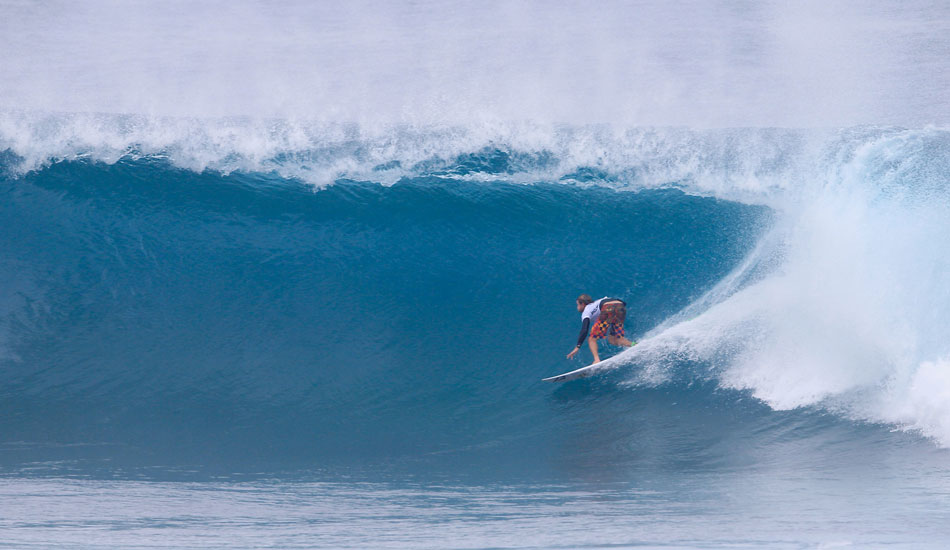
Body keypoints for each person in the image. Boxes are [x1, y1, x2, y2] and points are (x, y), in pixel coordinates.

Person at [566, 294, 633, 365]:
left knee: (592, 338)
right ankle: (634, 345)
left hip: (608, 308)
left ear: (582, 304)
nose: (577, 307)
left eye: (578, 305)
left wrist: (578, 346)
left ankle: (596, 360)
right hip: (620, 308)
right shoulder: (598, 302)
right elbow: (621, 302)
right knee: (615, 340)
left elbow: (584, 329)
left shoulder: (586, 311)